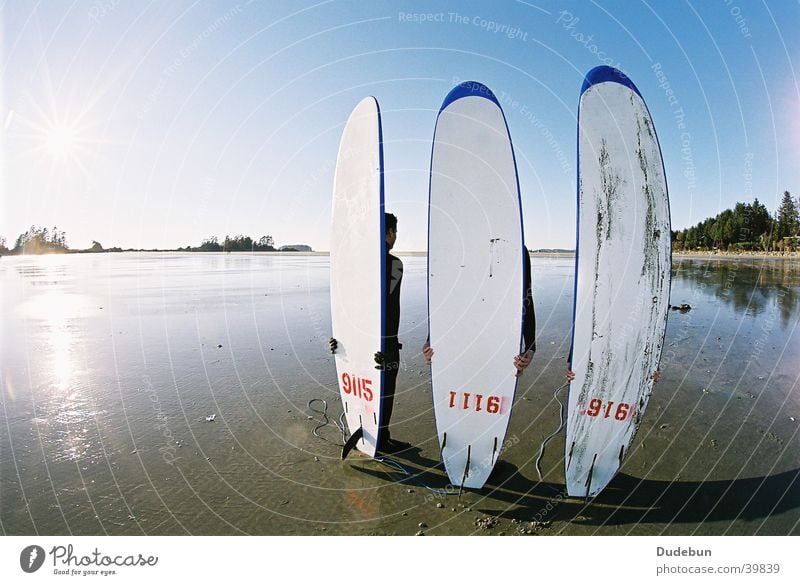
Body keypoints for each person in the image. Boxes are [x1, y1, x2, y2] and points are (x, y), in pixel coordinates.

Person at [330, 213, 411, 455]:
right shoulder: (394, 264)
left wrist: (339, 338)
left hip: (354, 342)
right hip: (384, 343)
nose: (395, 237)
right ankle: (381, 438)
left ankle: (370, 431)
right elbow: (388, 309)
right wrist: (387, 347)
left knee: (362, 385)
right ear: (388, 232)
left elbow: (345, 305)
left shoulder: (351, 264)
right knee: (384, 390)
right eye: (393, 232)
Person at [423, 247, 536, 377]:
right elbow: (446, 297)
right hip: (462, 334)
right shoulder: (456, 245)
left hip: (497, 333)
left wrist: (530, 346)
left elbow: (526, 296)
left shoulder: (515, 244)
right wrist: (432, 339)